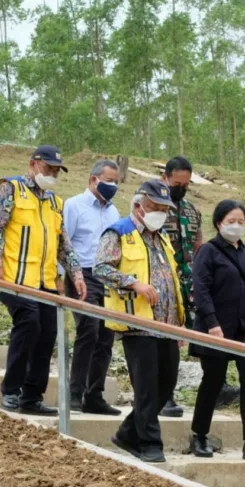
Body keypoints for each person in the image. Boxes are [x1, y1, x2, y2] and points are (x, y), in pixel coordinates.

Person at [0, 145, 87, 416]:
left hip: (44, 282)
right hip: (14, 277)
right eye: (48, 168)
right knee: (29, 324)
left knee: (47, 333)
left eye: (56, 171)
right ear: (33, 163)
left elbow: (63, 243)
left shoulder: (54, 201)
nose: (52, 174)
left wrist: (75, 273)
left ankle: (32, 397)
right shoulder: (10, 189)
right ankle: (11, 390)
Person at [95, 180, 185, 463]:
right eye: (155, 207)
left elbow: (172, 279)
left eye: (164, 209)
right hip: (138, 323)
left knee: (166, 384)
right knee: (146, 387)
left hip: (166, 324)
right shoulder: (120, 232)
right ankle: (149, 443)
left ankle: (127, 432)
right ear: (138, 206)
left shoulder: (162, 238)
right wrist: (133, 284)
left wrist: (180, 322)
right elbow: (100, 267)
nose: (161, 213)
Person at [189, 200, 245, 462]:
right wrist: (212, 323)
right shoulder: (208, 252)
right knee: (213, 382)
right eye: (231, 221)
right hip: (217, 329)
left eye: (241, 222)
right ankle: (199, 435)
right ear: (218, 223)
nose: (236, 226)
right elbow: (201, 290)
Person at [161, 156, 240, 418]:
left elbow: (199, 248)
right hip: (163, 281)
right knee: (168, 339)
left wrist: (201, 280)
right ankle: (165, 395)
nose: (180, 188)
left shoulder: (193, 211)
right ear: (166, 178)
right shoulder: (156, 207)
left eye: (185, 184)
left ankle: (219, 386)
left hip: (190, 281)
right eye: (176, 183)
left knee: (208, 329)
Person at [62, 159, 121, 415]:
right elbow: (64, 243)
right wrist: (64, 277)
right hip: (81, 273)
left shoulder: (113, 212)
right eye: (108, 180)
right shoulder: (74, 206)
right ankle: (75, 391)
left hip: (105, 276)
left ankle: (94, 394)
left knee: (107, 334)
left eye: (116, 182)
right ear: (93, 179)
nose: (113, 186)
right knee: (88, 329)